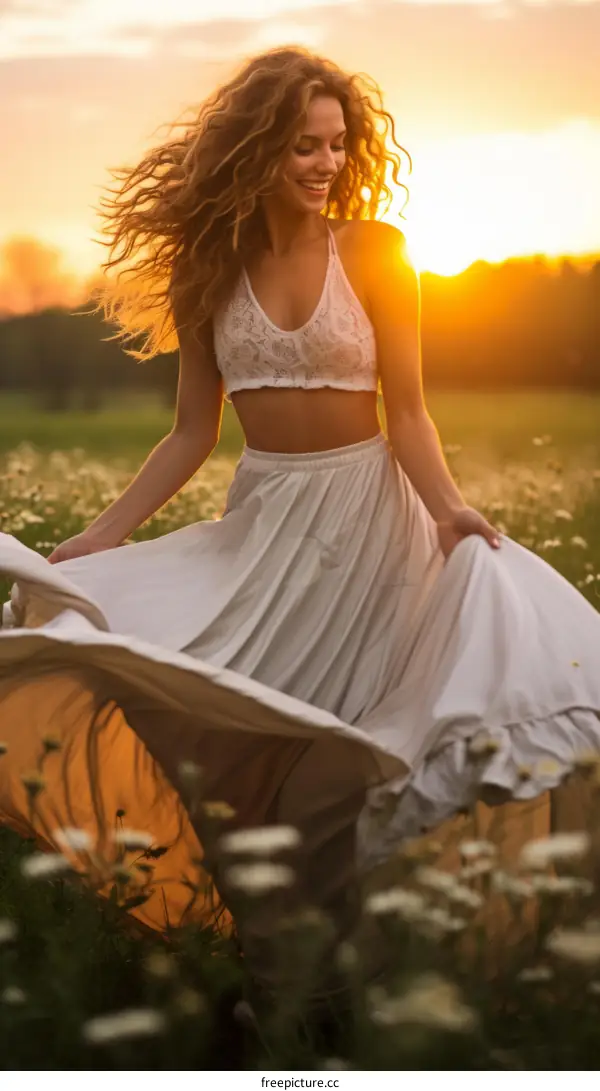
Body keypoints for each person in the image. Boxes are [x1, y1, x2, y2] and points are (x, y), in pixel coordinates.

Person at [0, 45, 599, 1000]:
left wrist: (449, 511)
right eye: (302, 147)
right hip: (269, 526)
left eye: (335, 145)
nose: (324, 164)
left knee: (348, 748)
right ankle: (275, 971)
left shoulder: (375, 250)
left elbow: (408, 412)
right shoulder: (210, 264)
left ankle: (353, 983)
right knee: (236, 740)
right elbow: (192, 432)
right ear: (254, 147)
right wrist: (102, 536)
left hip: (373, 525)